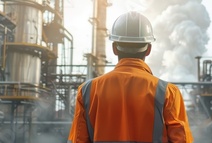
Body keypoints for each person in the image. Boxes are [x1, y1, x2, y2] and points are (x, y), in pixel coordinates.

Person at [68, 11, 193, 143]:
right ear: (149, 49)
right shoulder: (168, 93)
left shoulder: (87, 91)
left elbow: (78, 140)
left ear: (114, 49)